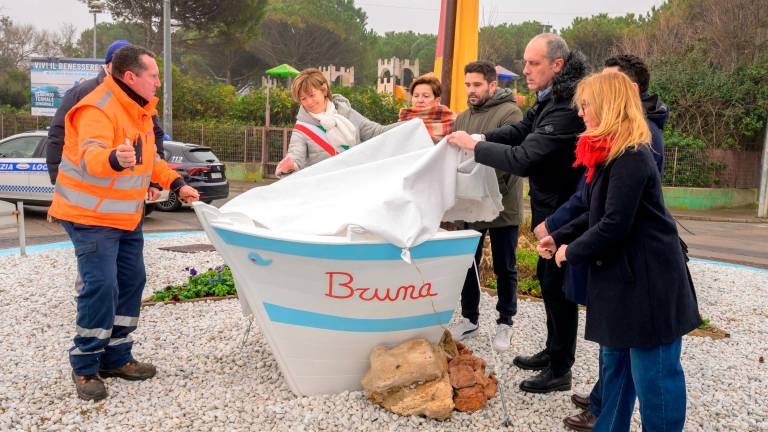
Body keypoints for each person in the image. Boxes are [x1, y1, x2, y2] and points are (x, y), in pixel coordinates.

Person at [539, 71, 701, 432]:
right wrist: (557, 235)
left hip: (648, 287)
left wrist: (569, 252)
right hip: (621, 286)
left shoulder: (631, 156)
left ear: (608, 107)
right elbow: (590, 208)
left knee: (655, 380)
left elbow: (613, 224)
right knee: (616, 374)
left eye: (585, 105)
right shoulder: (607, 153)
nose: (580, 113)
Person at [47, 45, 200, 401]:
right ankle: (85, 365)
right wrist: (114, 158)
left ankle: (116, 356)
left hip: (124, 216)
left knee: (132, 280)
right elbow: (90, 155)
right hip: (89, 216)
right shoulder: (96, 107)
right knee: (102, 286)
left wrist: (177, 184)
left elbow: (151, 162)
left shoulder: (139, 112)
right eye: (153, 75)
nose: (159, 82)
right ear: (131, 77)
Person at [447, 33, 587, 393]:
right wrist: (481, 139)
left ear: (557, 65)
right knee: (547, 283)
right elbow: (521, 130)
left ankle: (560, 370)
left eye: (533, 63)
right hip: (548, 207)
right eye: (524, 61)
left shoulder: (566, 107)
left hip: (563, 212)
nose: (525, 69)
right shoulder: (549, 100)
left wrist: (475, 148)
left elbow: (525, 158)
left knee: (557, 288)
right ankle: (554, 352)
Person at [445, 60, 524, 352]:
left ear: (492, 84)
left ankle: (505, 321)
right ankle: (470, 319)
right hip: (471, 205)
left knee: (505, 265)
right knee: (469, 264)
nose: (471, 90)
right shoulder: (462, 118)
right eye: (468, 85)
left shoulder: (510, 113)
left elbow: (511, 156)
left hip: (503, 204)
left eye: (477, 84)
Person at [46, 40, 167, 187]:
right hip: (86, 189)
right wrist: (57, 177)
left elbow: (154, 136)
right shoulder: (83, 93)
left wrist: (153, 182)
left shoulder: (141, 99)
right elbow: (59, 133)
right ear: (109, 66)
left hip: (127, 193)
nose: (157, 83)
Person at [275, 68, 393, 176]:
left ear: (324, 90)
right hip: (325, 190)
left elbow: (377, 132)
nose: (309, 102)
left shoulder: (347, 113)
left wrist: (410, 122)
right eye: (303, 98)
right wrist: (290, 166)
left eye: (312, 95)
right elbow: (296, 155)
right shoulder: (302, 129)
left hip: (356, 182)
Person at [397, 74, 455, 143]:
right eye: (416, 96)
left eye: (426, 96)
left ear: (437, 100)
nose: (420, 100)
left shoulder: (452, 122)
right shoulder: (403, 120)